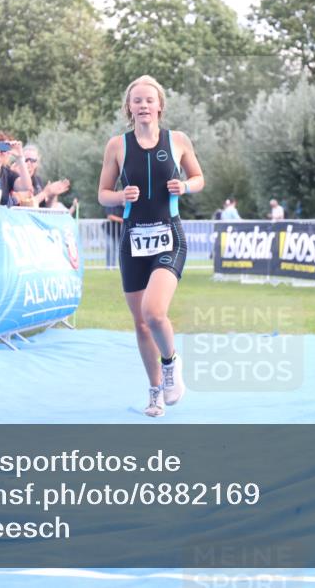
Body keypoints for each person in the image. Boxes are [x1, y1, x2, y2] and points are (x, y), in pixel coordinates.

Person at [98, 75, 205, 417]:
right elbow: (102, 193)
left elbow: (199, 178)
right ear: (129, 107)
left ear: (160, 105)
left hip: (169, 237)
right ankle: (155, 390)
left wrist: (184, 187)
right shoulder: (117, 145)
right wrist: (120, 195)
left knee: (154, 312)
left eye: (149, 100)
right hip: (133, 241)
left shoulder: (178, 140)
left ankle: (171, 364)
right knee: (141, 324)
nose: (143, 105)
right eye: (137, 100)